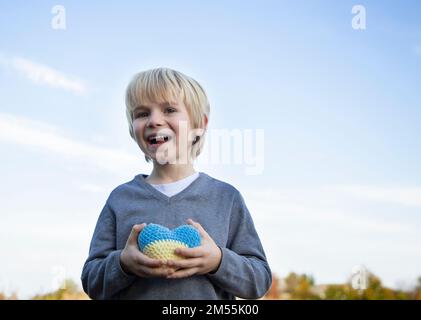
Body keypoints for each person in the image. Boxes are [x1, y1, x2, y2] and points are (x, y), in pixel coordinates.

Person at [81, 68, 272, 299]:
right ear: (132, 129)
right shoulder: (120, 199)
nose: (154, 120)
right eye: (142, 113)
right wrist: (123, 264)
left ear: (198, 125)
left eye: (169, 109)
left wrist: (218, 261)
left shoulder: (226, 198)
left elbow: (259, 280)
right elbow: (91, 280)